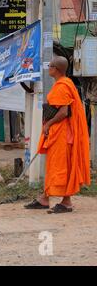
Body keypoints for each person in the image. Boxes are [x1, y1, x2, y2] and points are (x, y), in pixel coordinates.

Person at [25, 56, 91, 214]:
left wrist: (48, 124)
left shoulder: (62, 86)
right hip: (60, 132)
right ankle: (44, 198)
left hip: (62, 133)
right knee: (54, 165)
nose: (48, 68)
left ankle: (66, 202)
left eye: (50, 65)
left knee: (60, 166)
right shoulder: (64, 83)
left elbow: (63, 112)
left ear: (56, 69)